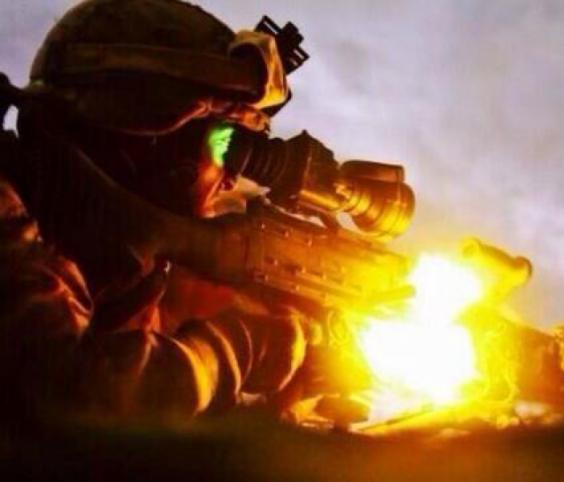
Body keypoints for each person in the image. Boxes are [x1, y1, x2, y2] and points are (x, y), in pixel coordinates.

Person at [0, 0, 329, 421]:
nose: (230, 180)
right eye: (225, 147)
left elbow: (131, 437)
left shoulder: (100, 255)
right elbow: (76, 396)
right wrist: (241, 347)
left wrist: (283, 396)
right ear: (148, 135)